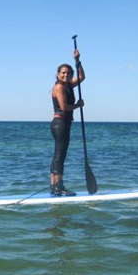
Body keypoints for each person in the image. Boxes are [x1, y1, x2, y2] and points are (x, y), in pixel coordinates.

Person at [50, 48, 85, 196]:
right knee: (60, 154)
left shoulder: (68, 85)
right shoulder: (59, 87)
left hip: (64, 123)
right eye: (63, 72)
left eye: (69, 73)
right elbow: (64, 108)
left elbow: (82, 77)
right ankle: (58, 186)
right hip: (60, 123)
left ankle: (54, 187)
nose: (66, 75)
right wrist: (78, 105)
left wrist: (77, 61)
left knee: (59, 153)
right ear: (58, 74)